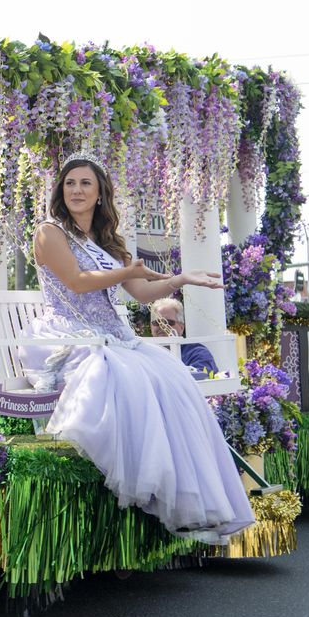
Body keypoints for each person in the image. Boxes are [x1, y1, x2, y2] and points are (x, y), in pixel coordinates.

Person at [18, 153, 253, 544]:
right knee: (130, 377)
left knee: (174, 379)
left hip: (112, 336)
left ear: (99, 194)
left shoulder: (107, 241)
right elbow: (77, 281)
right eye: (69, 183)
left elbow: (142, 292)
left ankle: (182, 492)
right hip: (67, 336)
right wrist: (128, 270)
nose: (76, 190)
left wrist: (181, 278)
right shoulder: (50, 231)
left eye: (85, 183)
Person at [149, 297, 218, 377]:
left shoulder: (197, 353)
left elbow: (200, 378)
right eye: (157, 322)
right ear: (151, 327)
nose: (162, 326)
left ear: (181, 327)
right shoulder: (145, 353)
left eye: (168, 322)